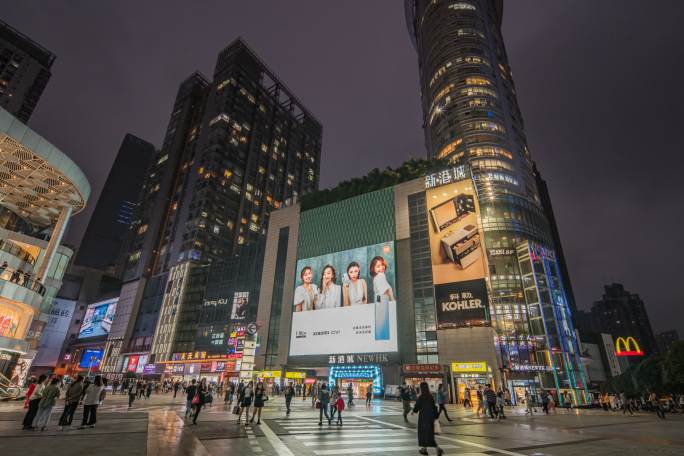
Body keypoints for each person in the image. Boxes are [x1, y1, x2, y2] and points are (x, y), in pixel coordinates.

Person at [412, 382, 444, 456]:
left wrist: (413, 411)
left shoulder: (421, 397)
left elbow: (417, 407)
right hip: (430, 419)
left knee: (424, 435)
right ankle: (425, 449)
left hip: (423, 419)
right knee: (429, 435)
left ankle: (437, 449)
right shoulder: (430, 397)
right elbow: (434, 407)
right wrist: (435, 417)